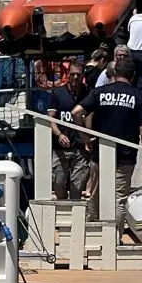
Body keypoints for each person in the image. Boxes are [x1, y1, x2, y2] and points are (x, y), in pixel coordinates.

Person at [72, 55, 142, 230]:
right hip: (126, 155)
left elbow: (76, 112)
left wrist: (84, 136)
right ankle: (114, 237)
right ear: (133, 75)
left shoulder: (100, 92)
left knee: (95, 195)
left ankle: (92, 231)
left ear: (114, 73)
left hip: (100, 153)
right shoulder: (138, 96)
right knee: (119, 199)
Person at [47, 61, 90, 200]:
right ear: (68, 75)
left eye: (78, 75)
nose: (75, 78)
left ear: (82, 75)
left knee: (77, 186)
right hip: (60, 148)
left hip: (80, 147)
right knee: (58, 184)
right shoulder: (58, 93)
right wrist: (59, 134)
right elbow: (50, 119)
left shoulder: (88, 93)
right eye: (72, 74)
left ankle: (75, 217)